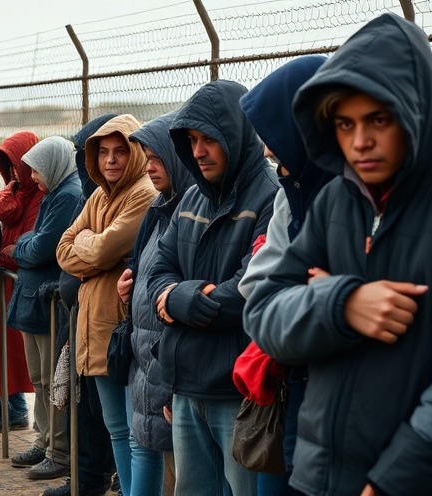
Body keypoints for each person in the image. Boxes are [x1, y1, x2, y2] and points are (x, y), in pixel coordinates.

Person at [245, 13, 432, 495]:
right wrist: (342, 305)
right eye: (345, 124)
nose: (360, 141)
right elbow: (263, 311)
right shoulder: (336, 202)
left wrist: (394, 480)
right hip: (318, 476)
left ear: (417, 112)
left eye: (378, 120)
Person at [147, 79, 279, 496]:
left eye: (209, 139)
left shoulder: (271, 199)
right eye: (192, 140)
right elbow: (156, 274)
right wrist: (179, 296)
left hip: (239, 393)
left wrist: (176, 298)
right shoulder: (190, 200)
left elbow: (247, 292)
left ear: (236, 135)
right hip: (186, 388)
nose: (199, 151)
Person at [237, 55, 329, 496]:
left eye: (273, 133)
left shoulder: (348, 199)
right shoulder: (288, 198)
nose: (268, 150)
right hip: (295, 395)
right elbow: (255, 294)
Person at [56, 114, 157, 494]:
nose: (111, 160)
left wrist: (93, 249)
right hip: (95, 330)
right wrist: (94, 251)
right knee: (117, 430)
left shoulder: (143, 193)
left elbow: (101, 249)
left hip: (123, 331)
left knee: (135, 434)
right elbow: (63, 249)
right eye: (103, 153)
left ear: (134, 153)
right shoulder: (99, 195)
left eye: (120, 151)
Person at [117, 111, 194, 496]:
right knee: (140, 445)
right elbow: (145, 269)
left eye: (157, 157)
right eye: (146, 158)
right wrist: (130, 289)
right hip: (143, 357)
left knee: (177, 468)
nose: (150, 167)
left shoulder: (189, 214)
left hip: (168, 361)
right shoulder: (158, 210)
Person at [8, 136, 83, 480]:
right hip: (34, 298)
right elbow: (33, 242)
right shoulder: (54, 193)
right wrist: (27, 243)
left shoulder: (68, 194)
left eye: (37, 170)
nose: (33, 177)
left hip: (49, 302)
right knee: (39, 378)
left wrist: (21, 245)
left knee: (55, 381)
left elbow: (41, 249)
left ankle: (60, 450)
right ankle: (45, 440)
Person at [0, 131, 39, 432]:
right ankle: (10, 401)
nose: (12, 171)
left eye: (15, 164)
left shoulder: (39, 195)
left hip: (21, 282)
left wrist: (8, 254)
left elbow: (28, 242)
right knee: (4, 348)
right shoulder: (16, 192)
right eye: (6, 166)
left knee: (25, 352)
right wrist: (9, 188)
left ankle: (18, 406)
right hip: (5, 284)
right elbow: (3, 211)